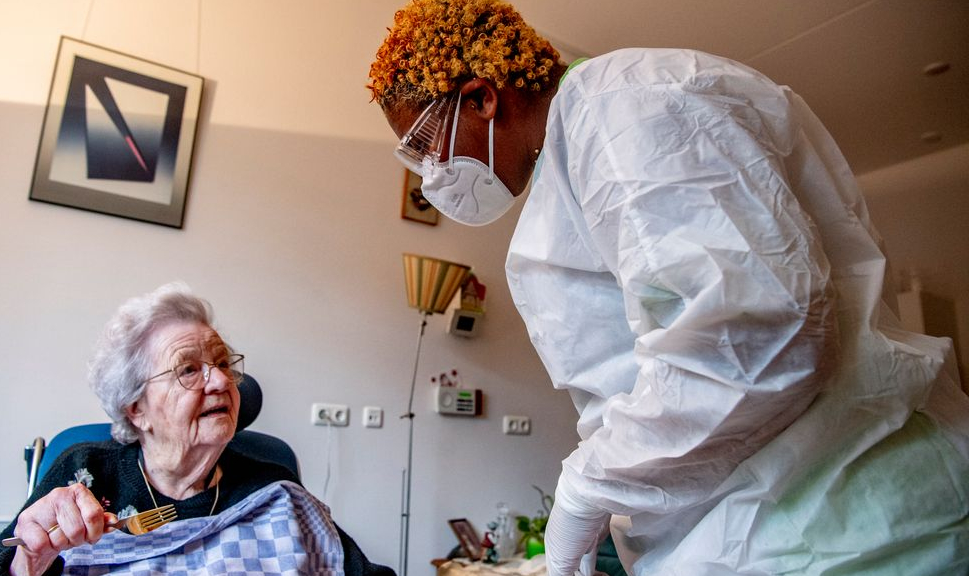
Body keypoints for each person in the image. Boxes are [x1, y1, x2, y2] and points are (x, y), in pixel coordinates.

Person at [367, 1, 969, 574]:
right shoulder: (577, 157)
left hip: (841, 527)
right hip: (765, 526)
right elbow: (643, 369)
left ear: (481, 97)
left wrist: (590, 484)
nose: (429, 176)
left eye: (423, 146)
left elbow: (758, 330)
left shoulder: (625, 108)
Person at [0, 283, 395, 576]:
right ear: (137, 408)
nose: (220, 382)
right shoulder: (84, 472)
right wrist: (31, 560)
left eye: (224, 365)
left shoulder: (273, 491)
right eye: (189, 369)